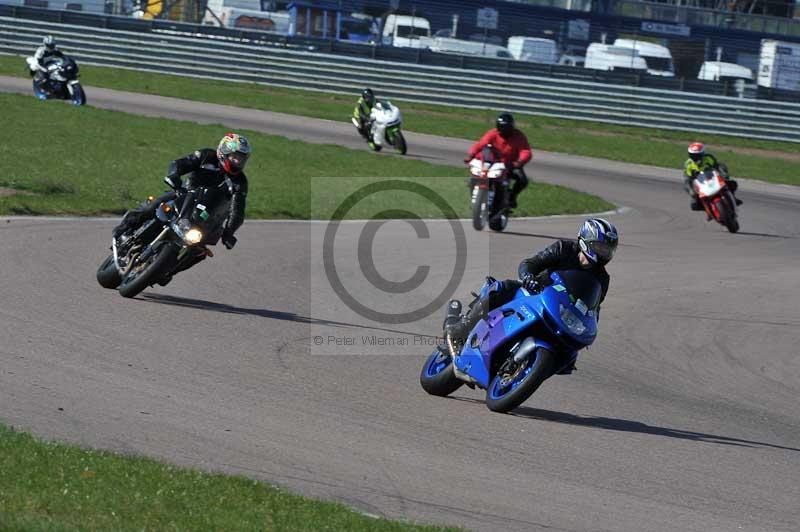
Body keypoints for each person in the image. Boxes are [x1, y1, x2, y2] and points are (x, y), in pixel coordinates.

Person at [445, 218, 618, 373]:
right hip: (535, 293)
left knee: (569, 353)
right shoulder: (564, 249)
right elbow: (530, 263)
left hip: (562, 312)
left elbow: (594, 306)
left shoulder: (602, 278)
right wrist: (528, 277)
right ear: (587, 240)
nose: (604, 253)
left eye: (607, 250)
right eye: (600, 247)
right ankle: (461, 328)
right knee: (501, 288)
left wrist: (588, 324)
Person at [112, 133, 251, 255]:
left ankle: (167, 271)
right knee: (155, 205)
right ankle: (124, 229)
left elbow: (237, 210)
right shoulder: (206, 156)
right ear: (224, 152)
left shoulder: (240, 182)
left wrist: (229, 232)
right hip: (184, 194)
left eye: (242, 159)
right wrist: (174, 176)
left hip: (207, 215)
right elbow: (180, 164)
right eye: (235, 157)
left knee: (202, 250)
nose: (238, 162)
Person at [465, 113, 532, 209]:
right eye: (501, 127)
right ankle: (475, 198)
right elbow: (481, 144)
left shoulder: (519, 136)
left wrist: (519, 162)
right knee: (475, 176)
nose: (503, 130)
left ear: (511, 127)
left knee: (522, 180)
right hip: (492, 162)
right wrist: (471, 155)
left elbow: (525, 151)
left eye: (506, 127)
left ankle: (512, 197)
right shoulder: (493, 133)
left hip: (510, 164)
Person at [684, 142, 742, 212]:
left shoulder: (708, 158)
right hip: (700, 183)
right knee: (694, 205)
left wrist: (724, 174)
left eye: (698, 155)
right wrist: (691, 190)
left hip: (712, 177)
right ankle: (707, 209)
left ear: (702, 154)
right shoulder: (688, 164)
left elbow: (719, 166)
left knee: (732, 183)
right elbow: (687, 179)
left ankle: (733, 198)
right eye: (693, 156)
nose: (696, 158)